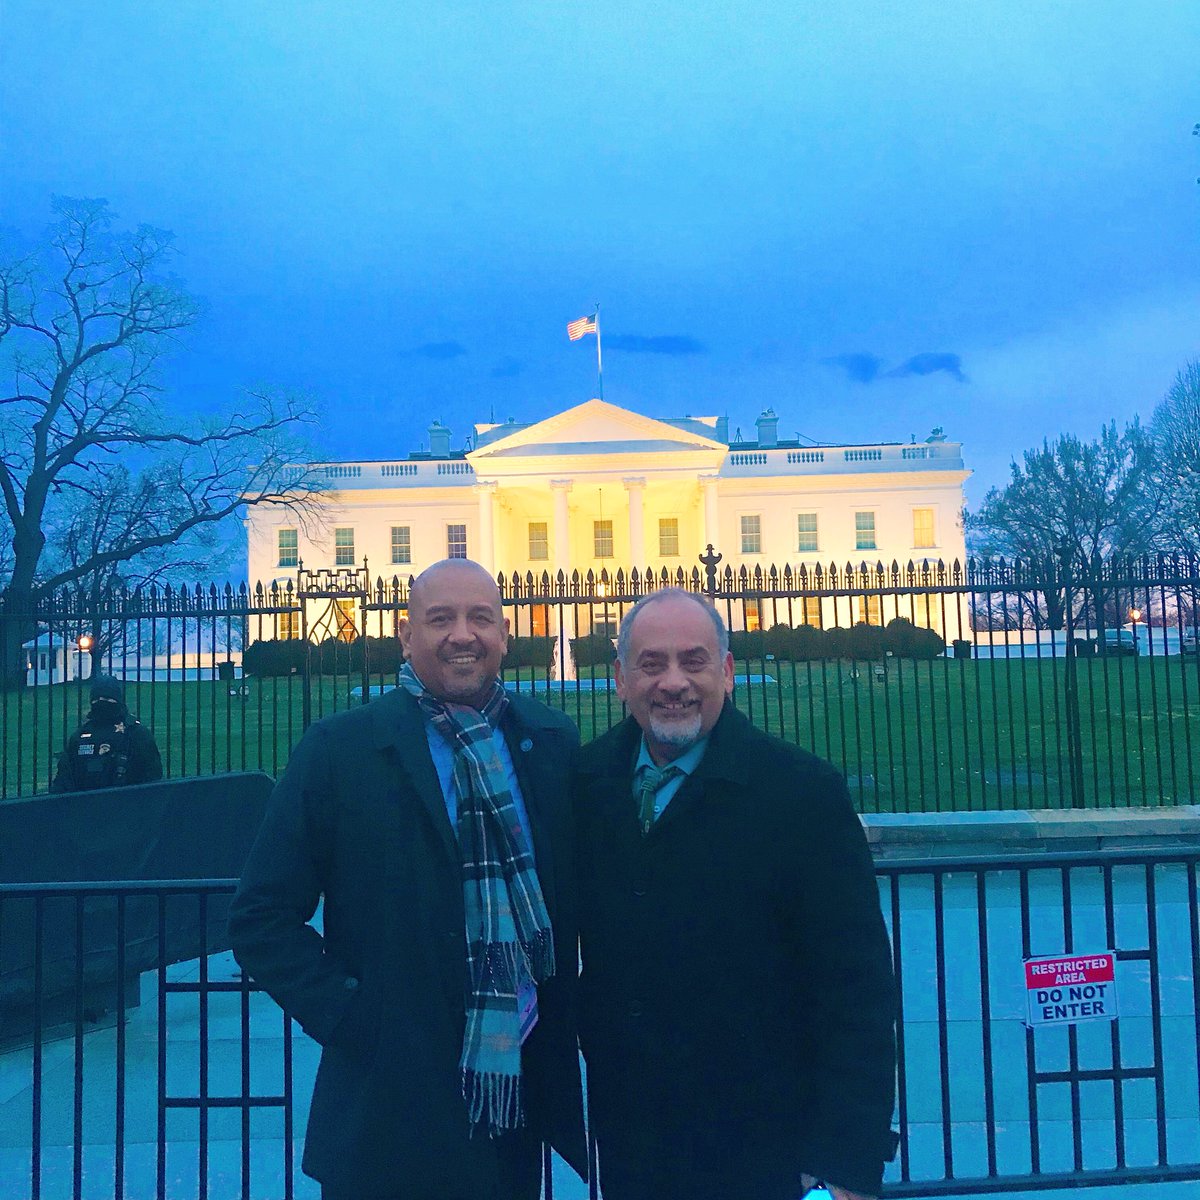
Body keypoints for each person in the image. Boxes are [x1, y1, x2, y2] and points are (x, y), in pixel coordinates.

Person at [228, 559, 587, 1200]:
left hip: (510, 1096)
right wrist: (359, 1021)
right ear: (405, 635)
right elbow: (261, 918)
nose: (462, 634)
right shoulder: (341, 750)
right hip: (385, 1108)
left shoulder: (549, 742)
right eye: (440, 618)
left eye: (480, 617)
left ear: (505, 634)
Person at [575, 588, 898, 1200]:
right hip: (631, 1139)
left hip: (760, 1143)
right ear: (620, 678)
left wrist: (849, 1154)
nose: (674, 682)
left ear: (726, 671)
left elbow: (855, 987)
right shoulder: (588, 784)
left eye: (694, 661)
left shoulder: (801, 794)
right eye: (651, 664)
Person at [50, 673, 163, 792]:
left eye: (107, 698)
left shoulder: (135, 733)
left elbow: (152, 778)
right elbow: (64, 779)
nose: (101, 702)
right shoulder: (79, 737)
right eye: (96, 699)